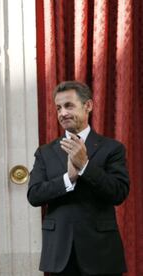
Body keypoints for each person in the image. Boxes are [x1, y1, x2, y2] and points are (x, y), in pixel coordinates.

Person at [27, 81, 129, 276]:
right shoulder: (45, 152)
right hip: (59, 254)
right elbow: (34, 195)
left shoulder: (112, 148)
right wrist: (68, 179)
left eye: (69, 105)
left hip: (101, 253)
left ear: (88, 106)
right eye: (58, 108)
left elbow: (118, 193)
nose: (62, 113)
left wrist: (85, 167)